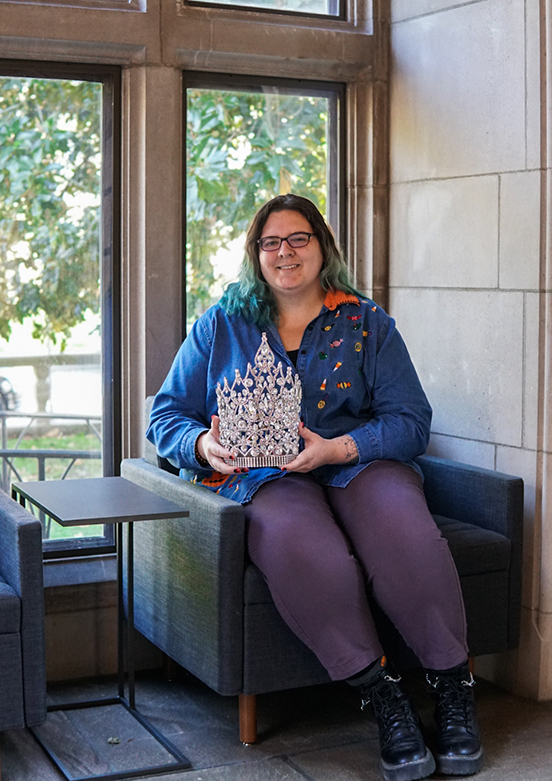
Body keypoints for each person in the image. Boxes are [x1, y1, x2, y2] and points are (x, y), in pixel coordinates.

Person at [147, 194, 484, 781]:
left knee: (406, 534)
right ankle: (383, 697)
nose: (285, 252)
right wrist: (204, 446)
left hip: (355, 463)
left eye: (298, 238)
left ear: (322, 245)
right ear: (256, 254)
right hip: (263, 475)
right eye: (271, 242)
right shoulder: (221, 323)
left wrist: (337, 448)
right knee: (308, 553)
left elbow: (410, 420)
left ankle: (453, 686)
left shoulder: (368, 322)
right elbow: (166, 416)